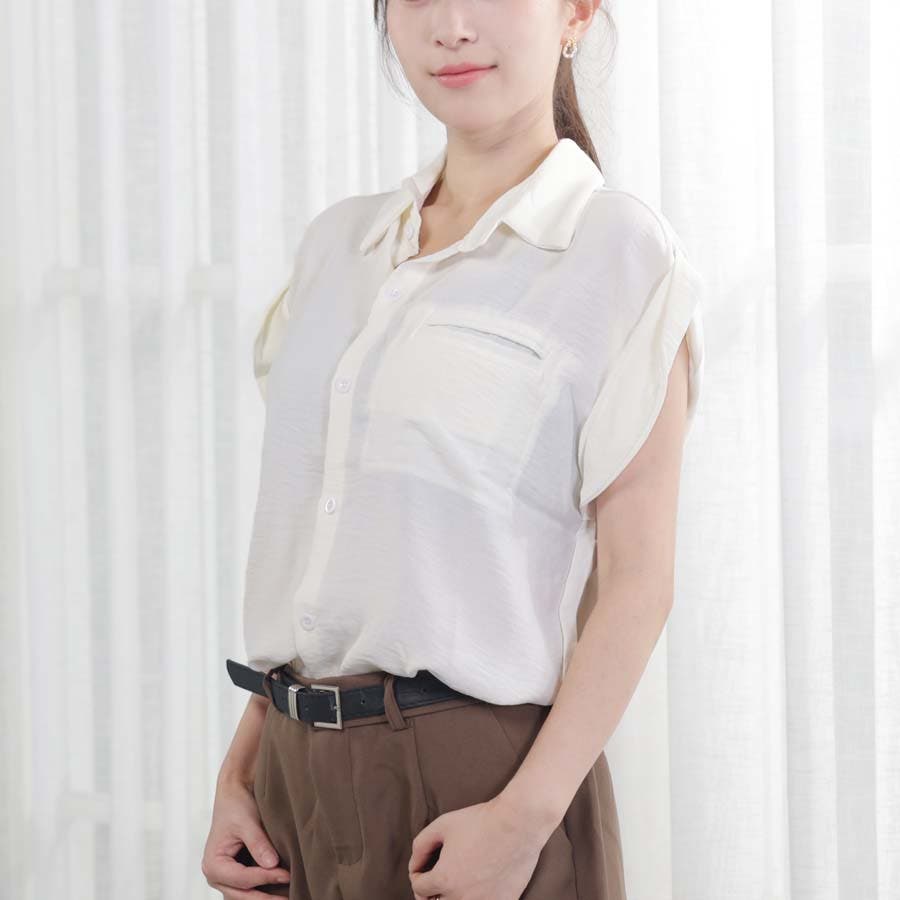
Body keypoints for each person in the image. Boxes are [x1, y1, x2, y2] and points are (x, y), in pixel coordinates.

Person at [202, 1, 705, 898]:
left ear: (575, 14)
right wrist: (239, 770)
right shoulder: (339, 246)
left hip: (479, 787)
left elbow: (637, 582)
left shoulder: (619, 256)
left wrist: (524, 821)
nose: (452, 25)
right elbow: (324, 557)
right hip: (287, 784)